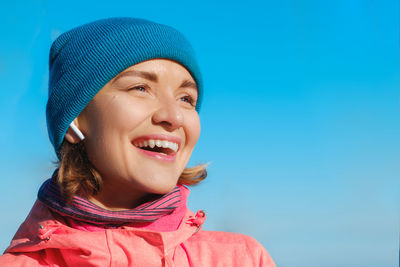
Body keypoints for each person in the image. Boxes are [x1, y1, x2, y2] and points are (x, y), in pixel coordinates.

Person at [0, 17, 276, 266]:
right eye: (141, 88)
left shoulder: (242, 259)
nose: (174, 116)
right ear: (74, 120)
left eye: (186, 99)